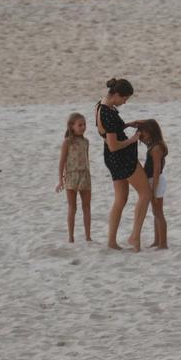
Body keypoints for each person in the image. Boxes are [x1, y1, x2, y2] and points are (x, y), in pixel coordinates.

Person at [94, 78, 152, 252]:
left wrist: (127, 124)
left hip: (111, 159)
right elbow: (114, 145)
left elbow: (109, 132)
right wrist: (134, 139)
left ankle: (111, 241)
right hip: (121, 158)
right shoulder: (109, 113)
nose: (125, 102)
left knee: (121, 199)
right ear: (116, 95)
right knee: (145, 193)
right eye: (124, 99)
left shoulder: (101, 105)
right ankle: (135, 236)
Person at [55, 113, 92, 243]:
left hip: (85, 176)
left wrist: (87, 174)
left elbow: (86, 160)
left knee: (86, 207)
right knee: (72, 207)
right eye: (80, 125)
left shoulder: (86, 142)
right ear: (72, 126)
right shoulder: (67, 142)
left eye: (84, 124)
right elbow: (62, 162)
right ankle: (71, 237)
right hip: (71, 176)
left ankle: (88, 236)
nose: (83, 127)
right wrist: (61, 180)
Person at [137, 119, 169, 249]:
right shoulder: (153, 145)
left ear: (151, 132)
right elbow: (143, 125)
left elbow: (156, 170)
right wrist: (132, 124)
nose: (142, 135)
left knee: (159, 213)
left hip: (155, 181)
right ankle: (157, 241)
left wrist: (153, 190)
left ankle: (163, 243)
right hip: (153, 180)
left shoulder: (156, 148)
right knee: (156, 212)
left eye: (144, 132)